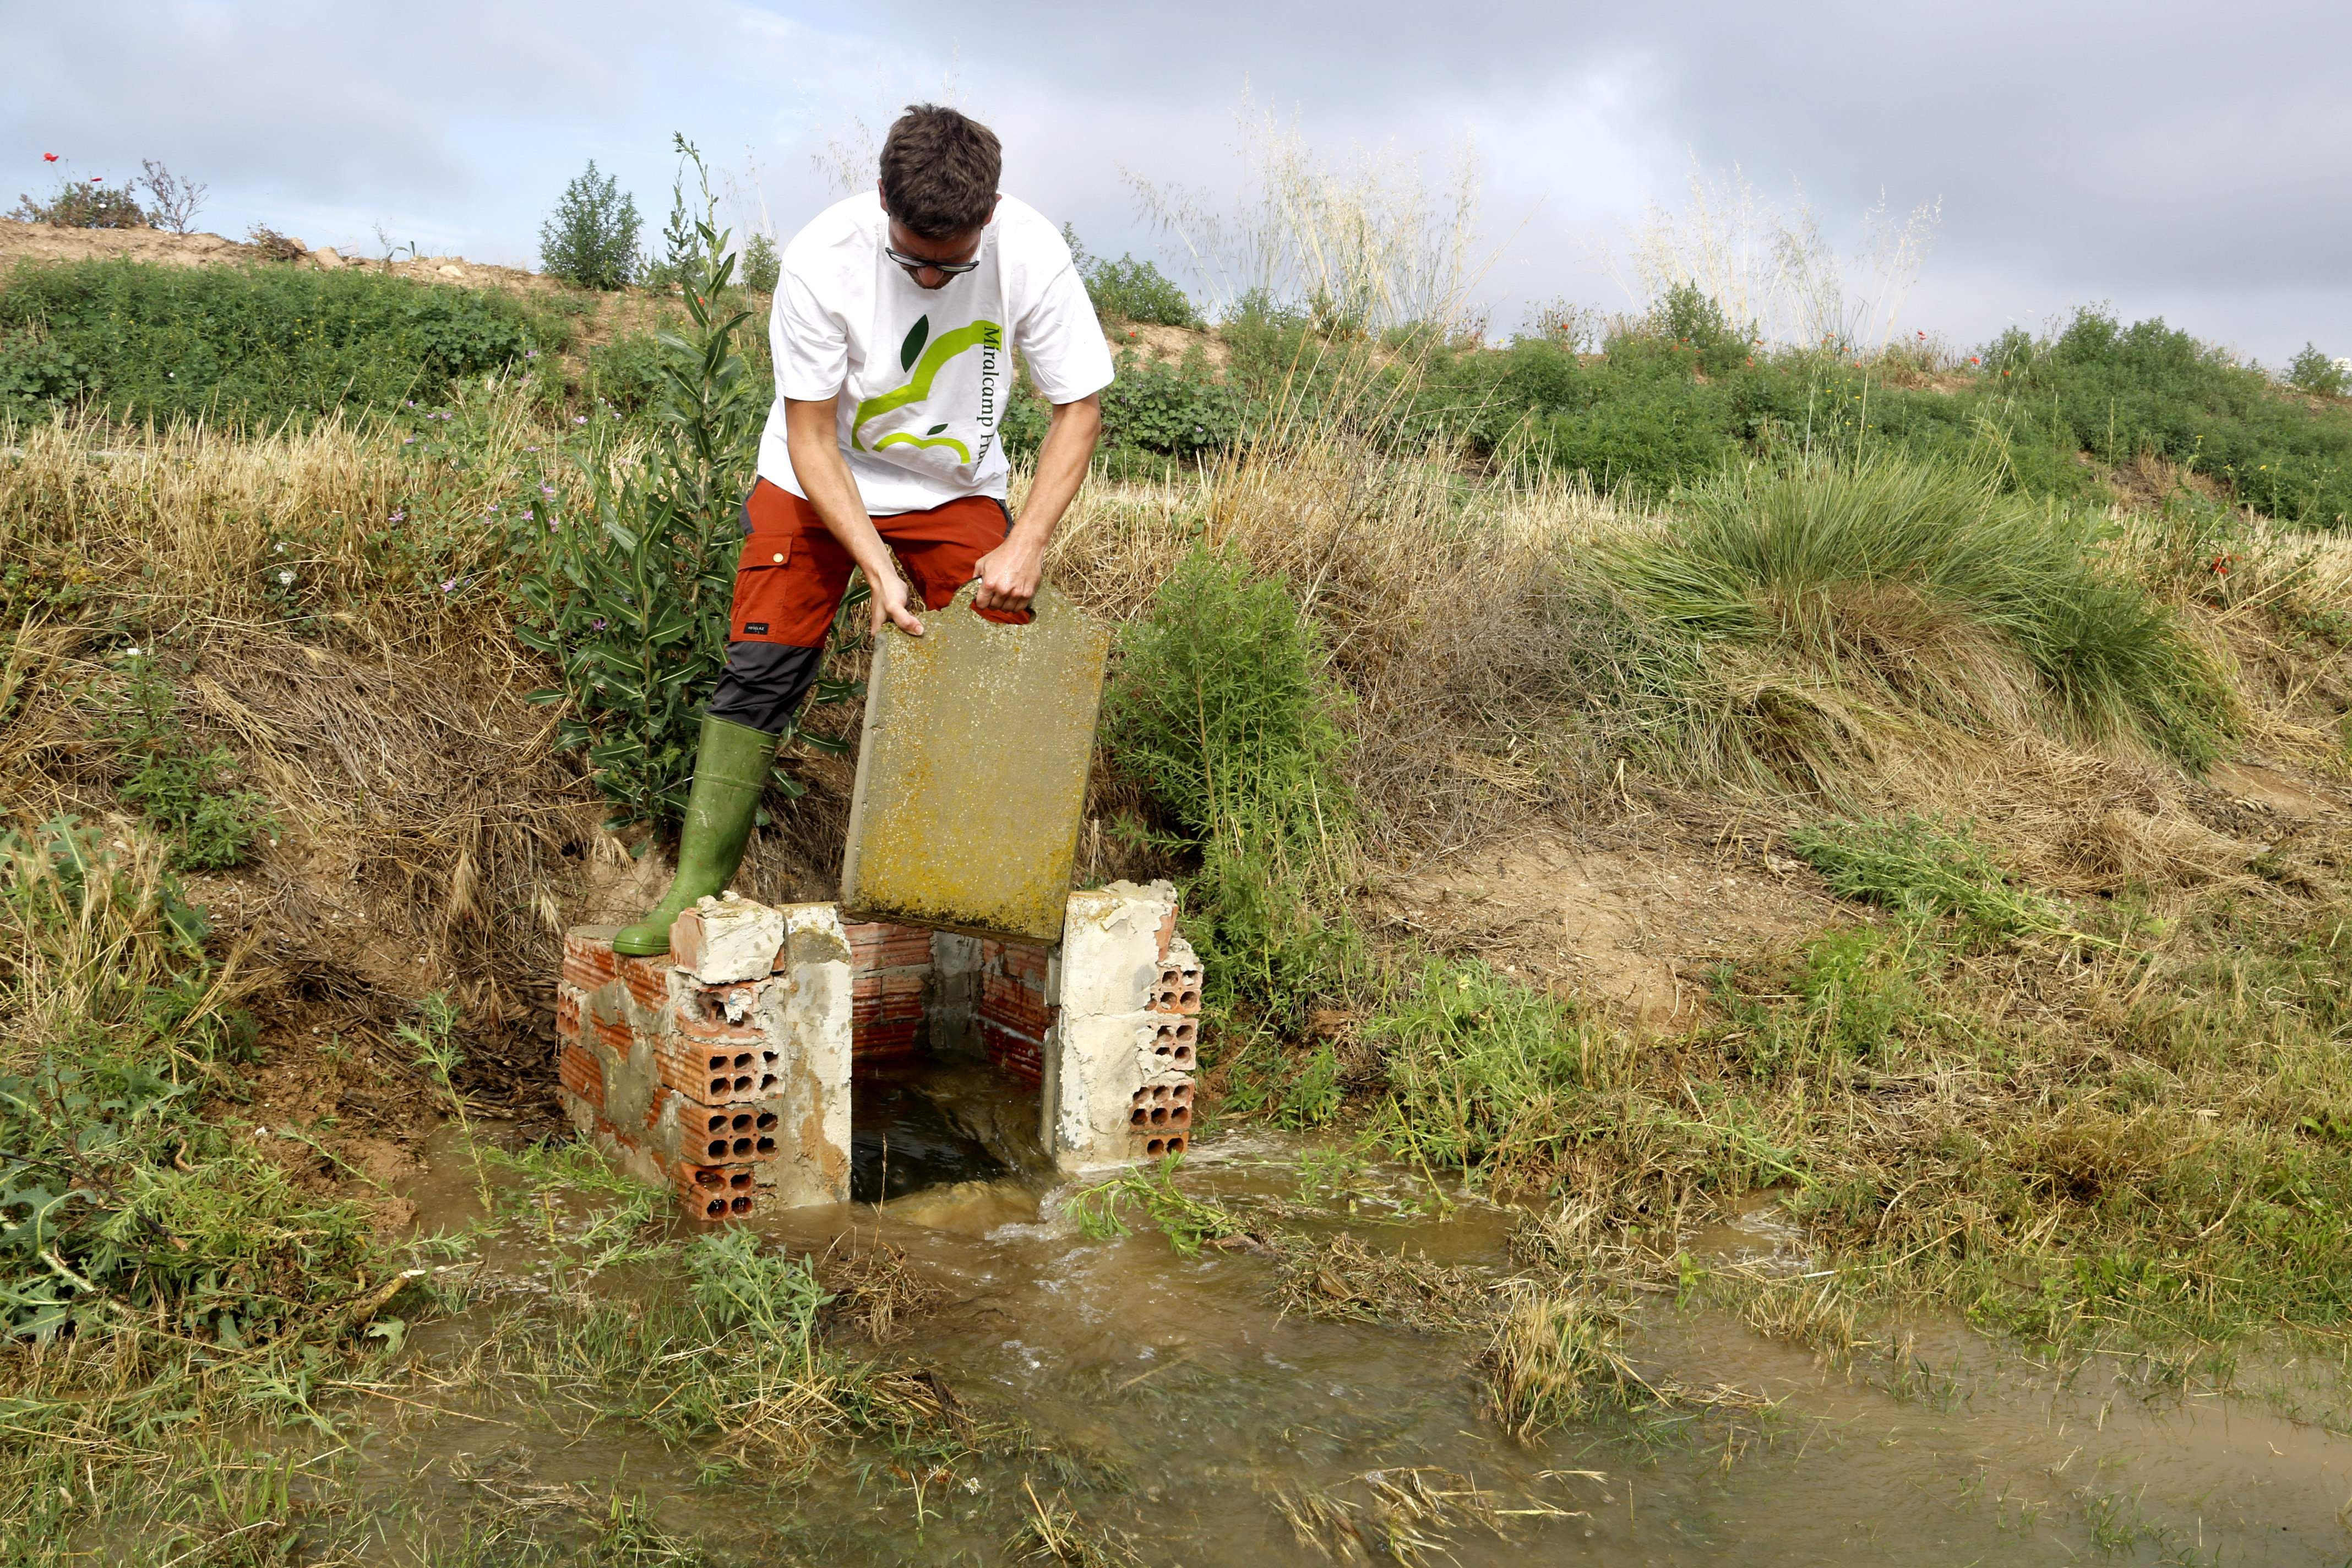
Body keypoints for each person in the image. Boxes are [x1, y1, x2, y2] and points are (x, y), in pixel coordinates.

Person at [613, 104, 1112, 955]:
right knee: (762, 668)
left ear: (989, 215)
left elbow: (1080, 407)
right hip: (816, 480)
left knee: (1000, 653)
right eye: (909, 258)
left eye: (947, 268)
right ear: (882, 196)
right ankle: (695, 889)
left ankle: (977, 892)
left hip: (952, 487)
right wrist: (878, 566)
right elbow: (810, 437)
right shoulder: (820, 260)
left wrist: (1025, 541)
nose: (925, 280)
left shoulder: (1031, 251)